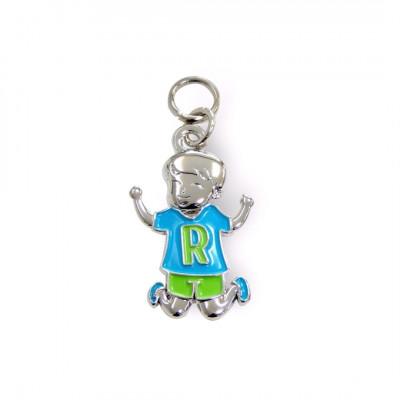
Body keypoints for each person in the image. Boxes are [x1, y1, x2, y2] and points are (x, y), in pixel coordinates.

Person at [130, 150, 254, 319]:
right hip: (177, 271)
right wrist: (137, 201)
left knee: (212, 311)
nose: (182, 191)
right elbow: (150, 220)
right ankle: (159, 292)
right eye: (176, 183)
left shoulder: (212, 215)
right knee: (175, 310)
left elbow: (233, 225)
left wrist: (246, 207)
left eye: (194, 184)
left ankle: (235, 288)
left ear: (214, 191)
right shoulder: (172, 216)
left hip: (211, 271)